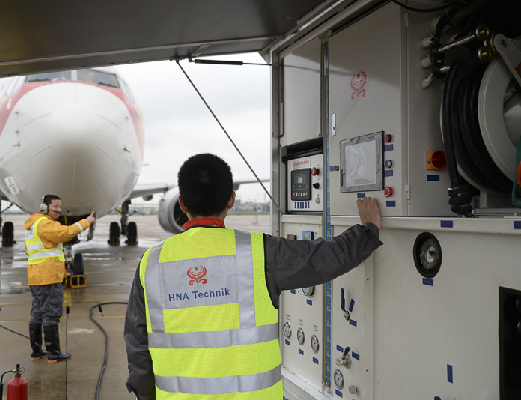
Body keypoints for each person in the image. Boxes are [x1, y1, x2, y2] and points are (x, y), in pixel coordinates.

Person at [124, 154, 382, 399]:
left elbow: (137, 346)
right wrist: (368, 230)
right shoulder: (259, 253)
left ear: (182, 203)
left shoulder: (152, 263)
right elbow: (328, 258)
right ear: (231, 199)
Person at [24, 194, 95, 363]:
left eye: (60, 207)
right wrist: (86, 222)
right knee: (51, 315)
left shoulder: (34, 225)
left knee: (37, 313)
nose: (59, 210)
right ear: (44, 208)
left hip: (36, 276)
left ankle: (37, 351)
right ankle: (54, 353)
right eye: (55, 206)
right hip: (48, 277)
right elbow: (65, 233)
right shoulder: (45, 224)